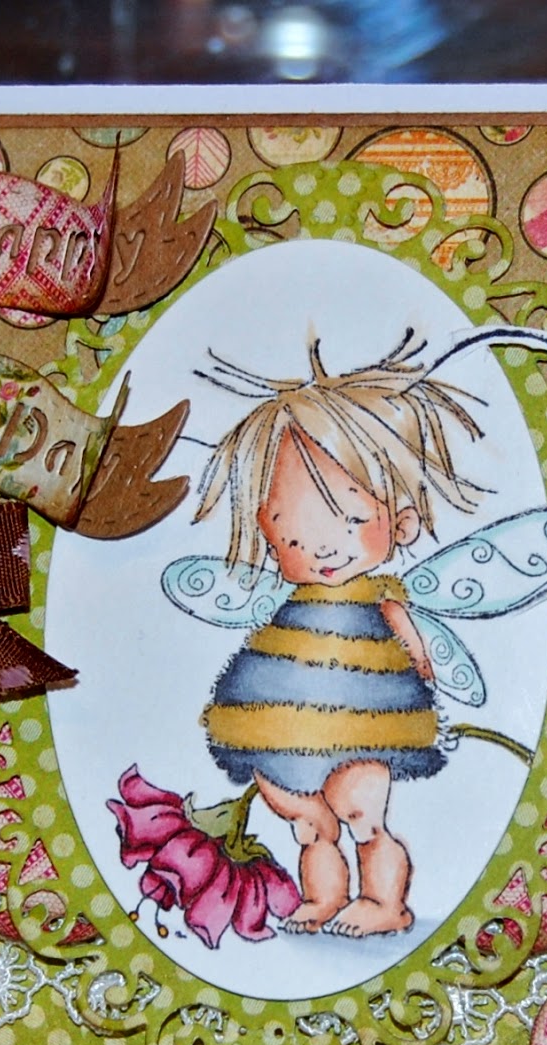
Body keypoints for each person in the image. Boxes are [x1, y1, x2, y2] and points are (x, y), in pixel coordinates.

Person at [192, 335, 488, 937]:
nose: (322, 548)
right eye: (293, 535)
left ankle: (384, 902)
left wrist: (418, 658)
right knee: (310, 824)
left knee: (361, 813)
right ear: (267, 532)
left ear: (401, 521)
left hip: (366, 720)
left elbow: (415, 650)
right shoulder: (288, 606)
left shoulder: (382, 598)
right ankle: (323, 897)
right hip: (281, 723)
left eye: (350, 520)